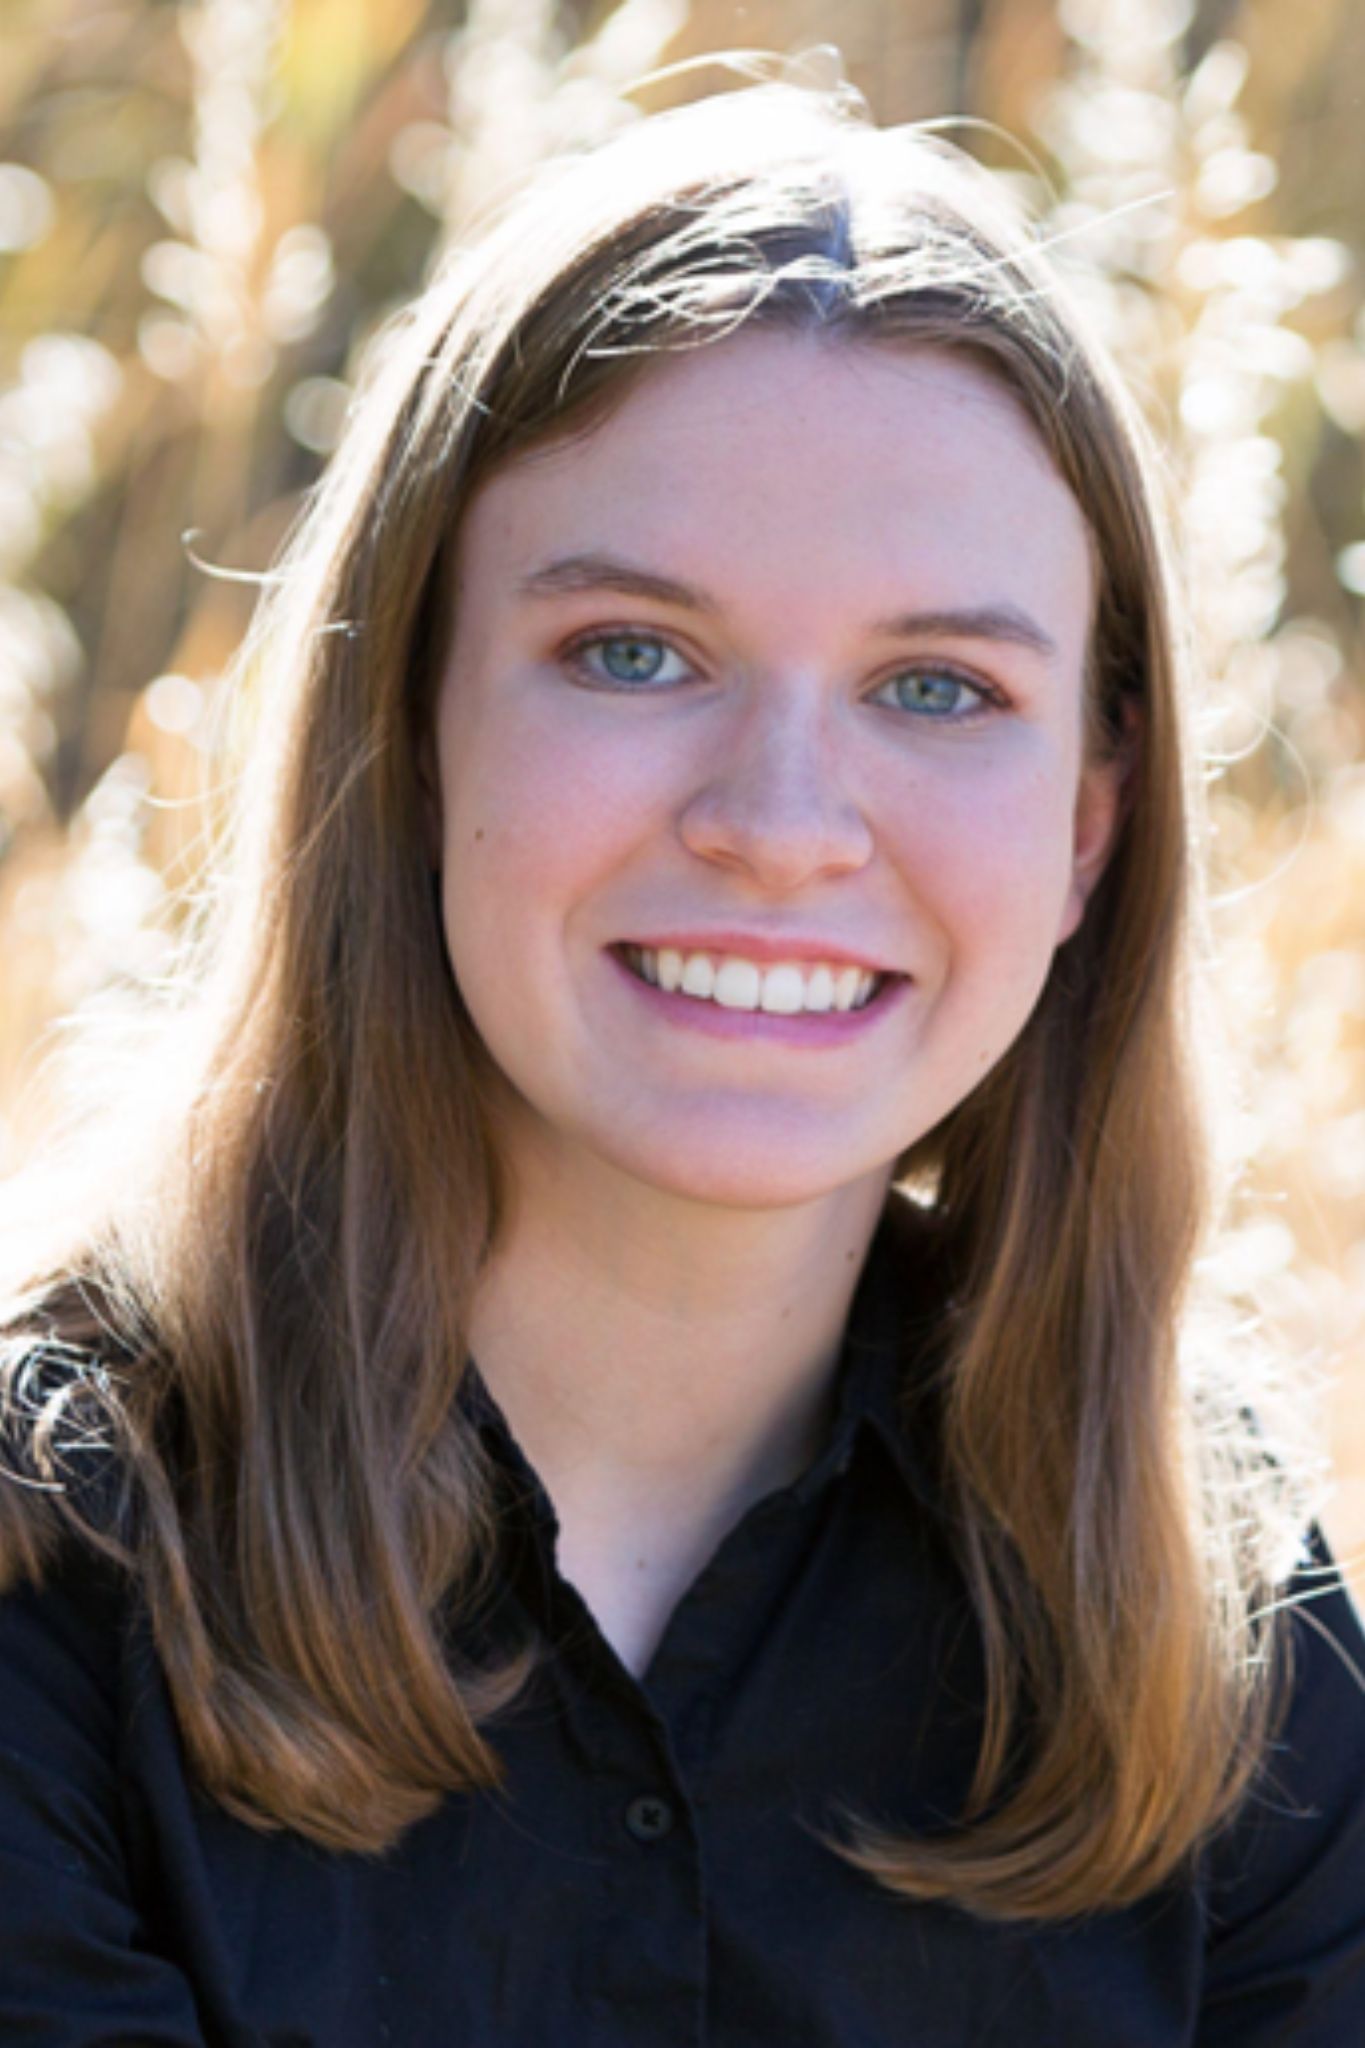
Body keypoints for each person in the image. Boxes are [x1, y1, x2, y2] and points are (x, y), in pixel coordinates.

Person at [1, 77, 1363, 2047]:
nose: (782, 818)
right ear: (410, 728)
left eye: (934, 687)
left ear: (1086, 827)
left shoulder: (1213, 1598)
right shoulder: (51, 1547)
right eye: (635, 649)